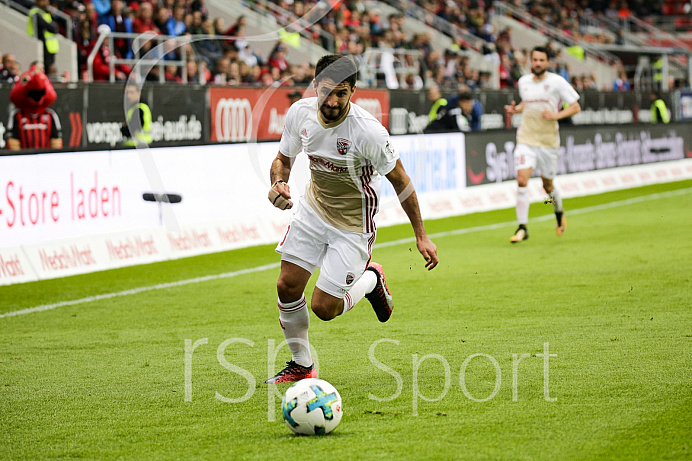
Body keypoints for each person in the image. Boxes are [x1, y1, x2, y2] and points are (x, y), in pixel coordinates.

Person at [265, 54, 439, 383]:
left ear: (353, 91)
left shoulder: (368, 132)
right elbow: (282, 159)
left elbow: (401, 181)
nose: (331, 101)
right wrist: (278, 183)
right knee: (287, 286)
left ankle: (372, 279)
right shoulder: (300, 113)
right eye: (326, 91)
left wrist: (421, 235)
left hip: (352, 226)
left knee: (324, 308)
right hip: (313, 212)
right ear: (315, 85)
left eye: (341, 93)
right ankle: (302, 364)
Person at [504, 46, 581, 243]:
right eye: (535, 59)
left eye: (541, 60)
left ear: (548, 63)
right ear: (531, 61)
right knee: (522, 181)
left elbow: (575, 107)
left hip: (548, 142)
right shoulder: (524, 82)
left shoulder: (557, 82)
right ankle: (522, 228)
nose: (537, 63)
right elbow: (526, 104)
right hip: (526, 139)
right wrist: (516, 110)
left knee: (548, 187)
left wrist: (556, 115)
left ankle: (558, 210)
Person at [5, 64, 62, 150]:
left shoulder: (50, 115)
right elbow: (12, 141)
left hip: (45, 159)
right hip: (23, 160)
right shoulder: (17, 115)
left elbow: (56, 141)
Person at [27, 0, 60, 69]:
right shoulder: (35, 12)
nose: (46, 3)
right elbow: (50, 27)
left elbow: (55, 28)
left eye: (47, 1)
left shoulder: (45, 13)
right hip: (40, 45)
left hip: (49, 47)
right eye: (43, 0)